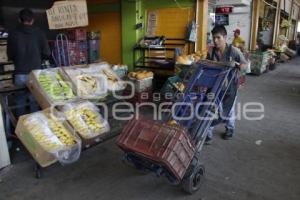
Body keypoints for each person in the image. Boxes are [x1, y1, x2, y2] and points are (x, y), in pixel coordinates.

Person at [205, 25, 247, 144]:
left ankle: (230, 129)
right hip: (214, 85)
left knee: (229, 110)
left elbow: (245, 65)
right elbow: (208, 64)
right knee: (210, 109)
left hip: (229, 87)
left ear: (225, 37)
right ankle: (207, 133)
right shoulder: (211, 51)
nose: (215, 41)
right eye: (213, 38)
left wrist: (238, 66)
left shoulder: (233, 51)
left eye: (218, 38)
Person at [7, 8, 50, 117]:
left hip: (20, 72)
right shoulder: (39, 33)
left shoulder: (13, 34)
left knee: (19, 102)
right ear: (33, 20)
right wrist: (39, 58)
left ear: (19, 20)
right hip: (36, 73)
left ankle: (21, 127)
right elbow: (47, 53)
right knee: (35, 100)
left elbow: (10, 55)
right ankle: (35, 126)